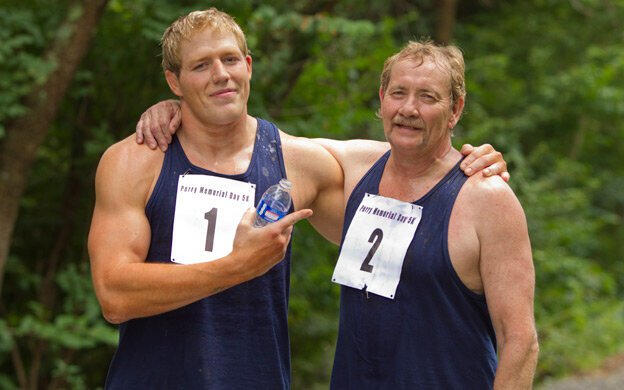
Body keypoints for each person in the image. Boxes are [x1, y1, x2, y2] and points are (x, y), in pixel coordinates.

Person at [103, 8, 508, 390]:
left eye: (229, 60)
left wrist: (470, 167)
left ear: (248, 65)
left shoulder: (298, 160)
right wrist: (234, 266)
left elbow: (413, 168)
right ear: (174, 81)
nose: (220, 75)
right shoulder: (134, 162)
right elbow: (114, 296)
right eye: (200, 66)